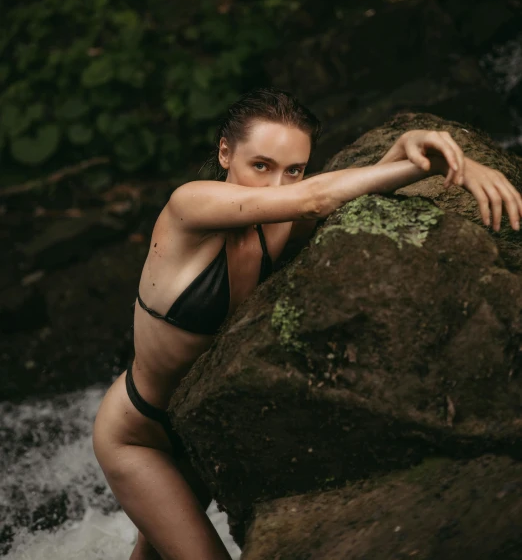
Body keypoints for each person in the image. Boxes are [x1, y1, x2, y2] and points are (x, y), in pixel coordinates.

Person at [93, 87, 522, 560]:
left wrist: (443, 154)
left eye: (293, 169)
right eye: (261, 165)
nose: (277, 186)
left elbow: (372, 175)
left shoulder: (280, 214)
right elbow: (316, 198)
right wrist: (440, 167)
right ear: (224, 152)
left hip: (198, 426)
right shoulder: (189, 205)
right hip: (139, 433)